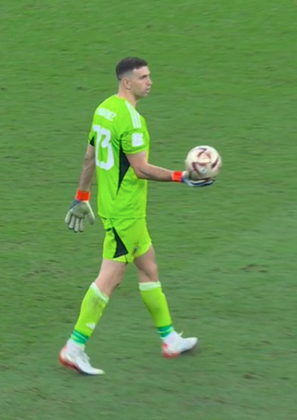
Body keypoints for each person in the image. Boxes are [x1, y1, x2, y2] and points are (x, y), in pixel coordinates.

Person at [59, 57, 213, 376]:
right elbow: (141, 169)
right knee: (110, 279)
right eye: (143, 77)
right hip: (124, 213)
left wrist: (81, 196)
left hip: (122, 210)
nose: (150, 81)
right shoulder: (131, 120)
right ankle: (74, 347)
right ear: (126, 82)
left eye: (150, 75)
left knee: (149, 266)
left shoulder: (104, 109)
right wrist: (182, 177)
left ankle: (169, 338)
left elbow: (89, 155)